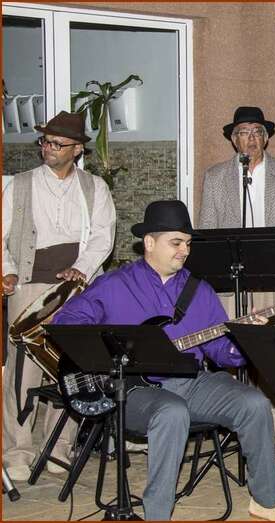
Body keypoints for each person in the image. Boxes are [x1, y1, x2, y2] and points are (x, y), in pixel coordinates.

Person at [52, 200, 275, 521]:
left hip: (191, 382)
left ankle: (266, 500)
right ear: (150, 243)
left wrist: (247, 341)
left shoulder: (199, 291)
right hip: (132, 391)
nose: (184, 251)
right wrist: (110, 352)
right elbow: (66, 323)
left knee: (254, 403)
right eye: (176, 243)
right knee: (172, 412)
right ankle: (158, 515)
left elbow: (222, 352)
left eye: (188, 244)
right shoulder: (115, 284)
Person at [2, 110, 116, 481]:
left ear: (77, 149)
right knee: (22, 371)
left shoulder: (95, 187)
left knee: (70, 367)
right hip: (30, 285)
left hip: (77, 289)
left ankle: (59, 448)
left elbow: (103, 236)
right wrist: (7, 270)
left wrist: (81, 269)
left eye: (57, 144)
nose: (48, 148)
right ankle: (17, 452)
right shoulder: (19, 185)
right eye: (45, 141)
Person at [199, 106, 275, 314]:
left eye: (257, 132)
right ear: (234, 139)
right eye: (244, 132)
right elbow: (207, 230)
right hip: (230, 278)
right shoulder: (215, 177)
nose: (251, 138)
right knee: (231, 332)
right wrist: (208, 278)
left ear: (265, 138)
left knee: (270, 332)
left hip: (273, 273)